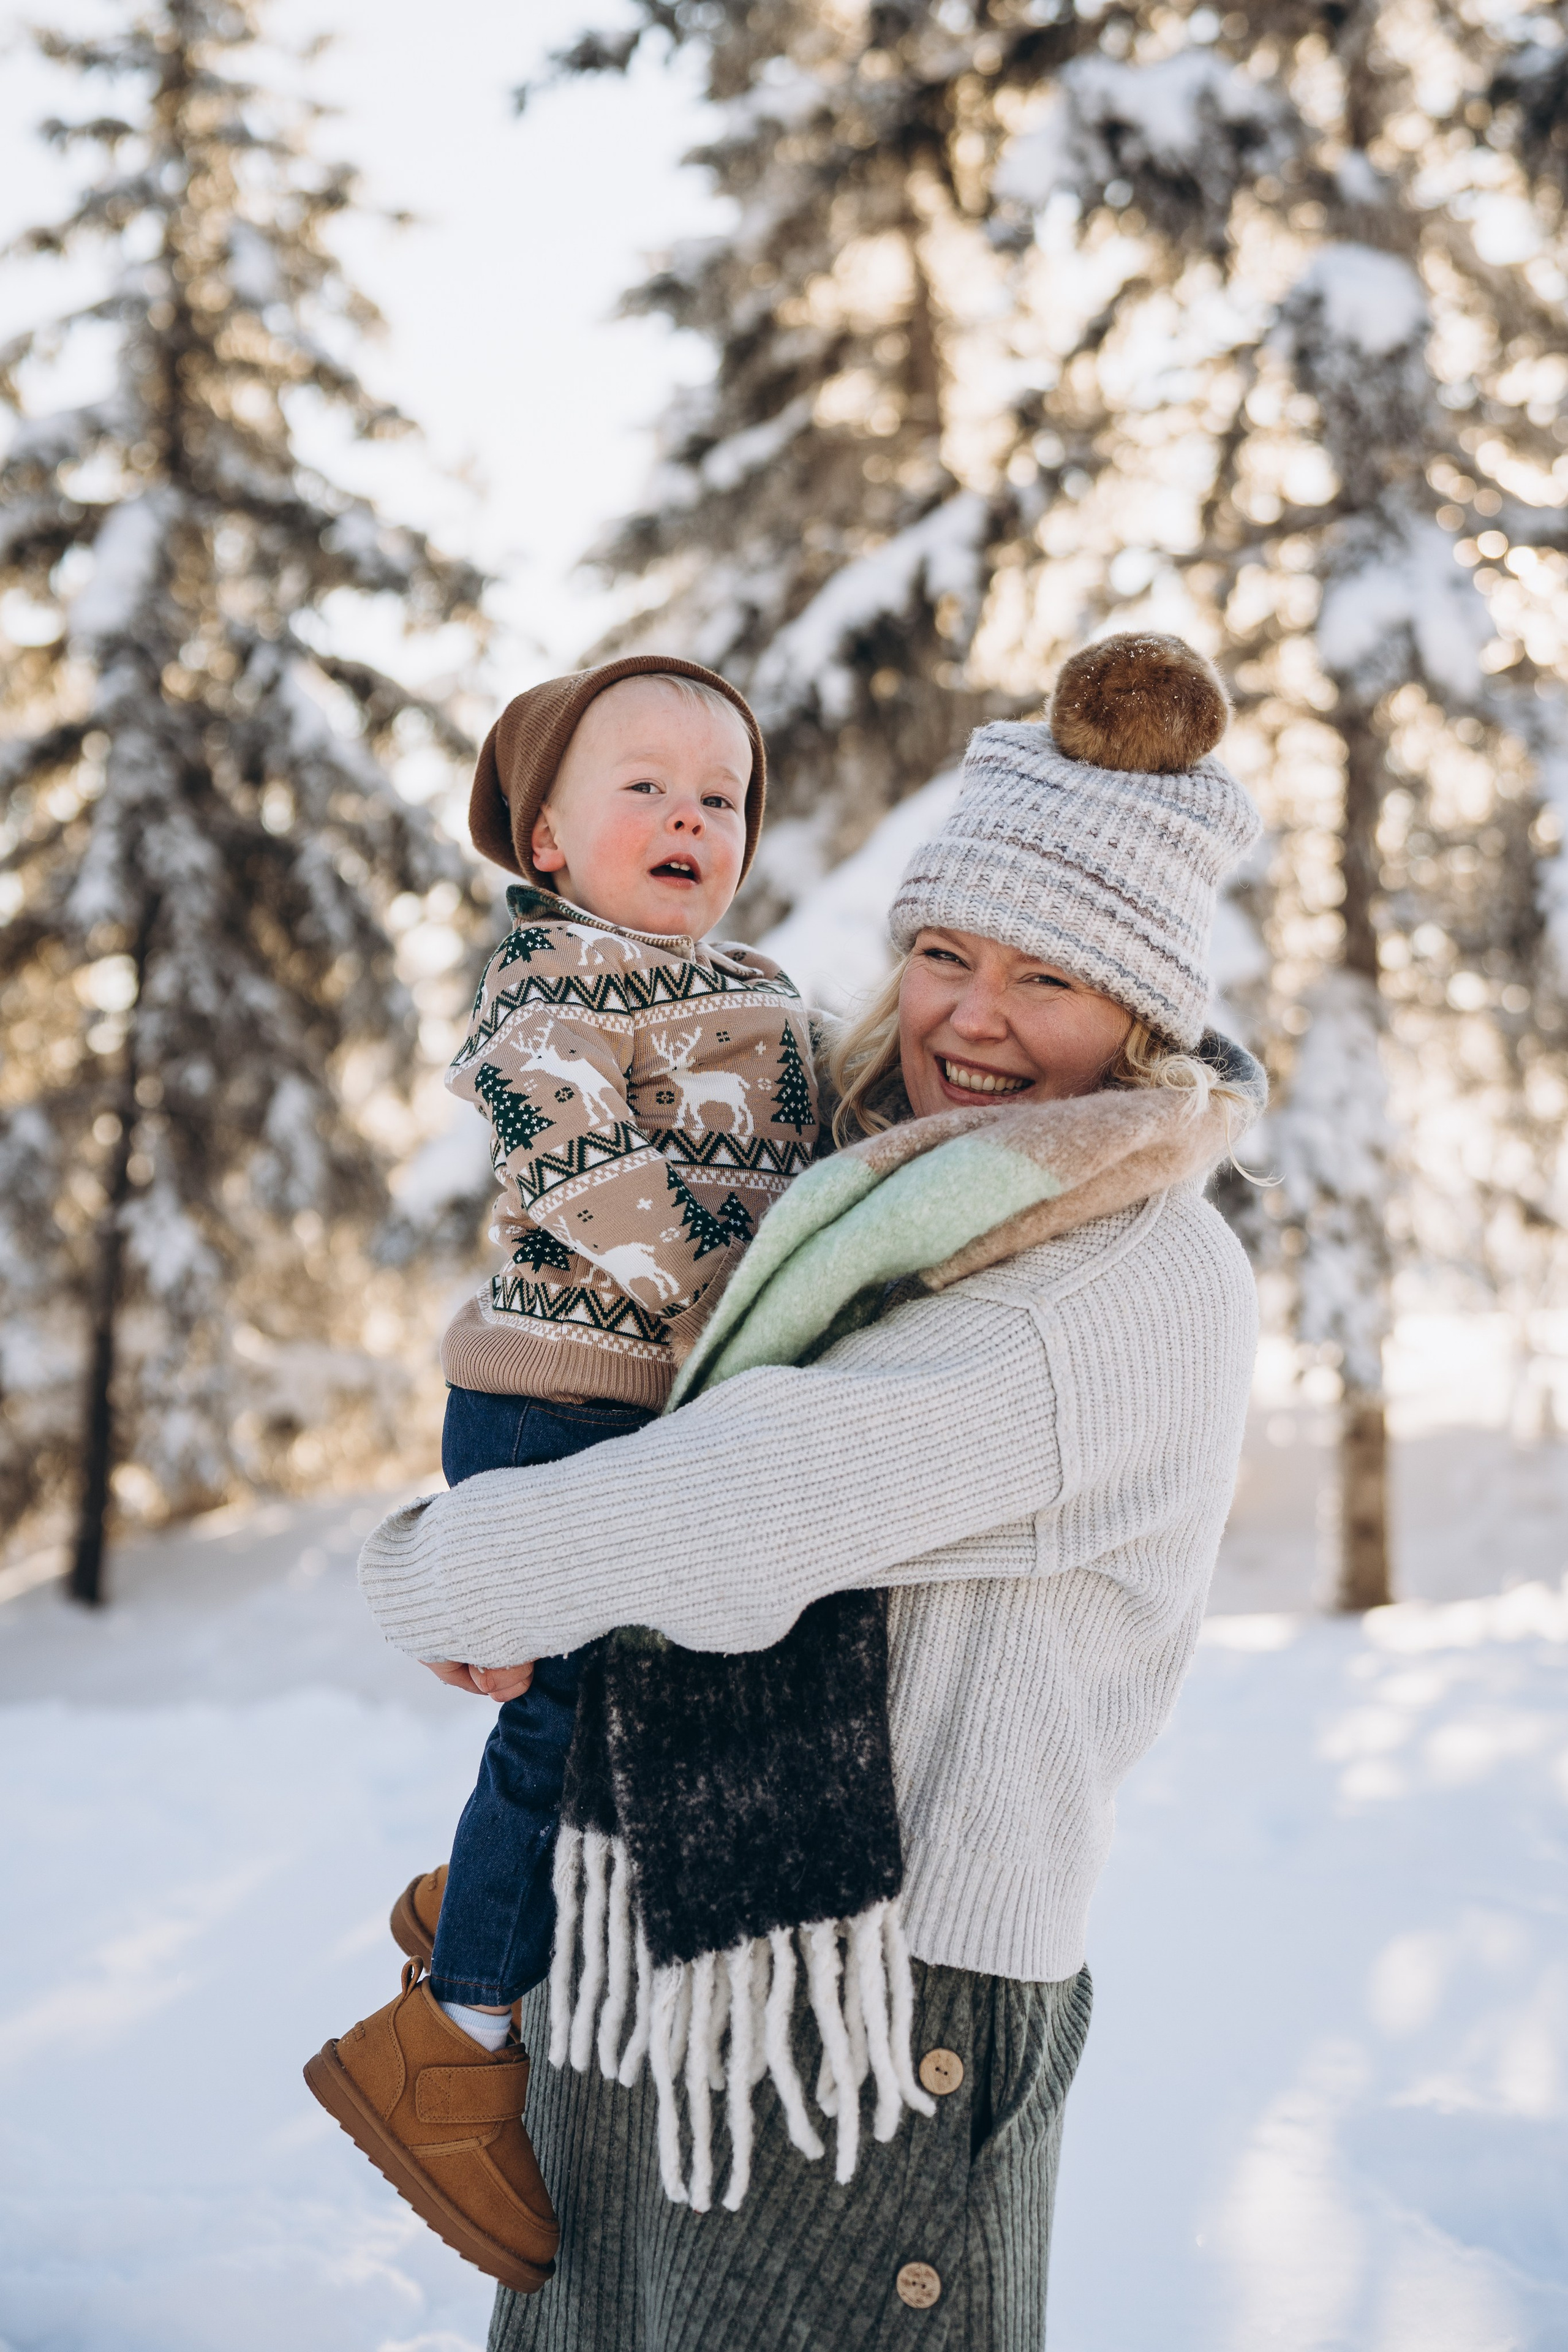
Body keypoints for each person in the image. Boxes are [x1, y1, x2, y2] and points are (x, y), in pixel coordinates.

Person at [352, 632, 1265, 2351]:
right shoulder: (870, 1190)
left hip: (869, 2020)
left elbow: (737, 1503)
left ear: (1143, 1015)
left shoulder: (1124, 1274)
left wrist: (440, 1570)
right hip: (635, 1954)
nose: (973, 1017)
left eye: (1050, 978)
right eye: (944, 954)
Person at [303, 655, 821, 2293]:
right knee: (556, 1714)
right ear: (548, 838)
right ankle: (448, 2039)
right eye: (644, 789)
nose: (691, 818)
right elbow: (593, 1175)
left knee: (632, 1704)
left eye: (721, 797)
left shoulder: (765, 992)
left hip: (670, 1409)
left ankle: (479, 1897)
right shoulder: (548, 982)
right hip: (554, 1402)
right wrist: (743, 1316)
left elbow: (828, 1162)